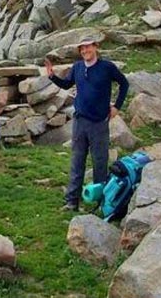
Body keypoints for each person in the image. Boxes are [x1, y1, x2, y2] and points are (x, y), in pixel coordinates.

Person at [46, 36, 129, 211]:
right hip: (79, 121)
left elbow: (124, 83)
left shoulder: (107, 67)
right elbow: (67, 84)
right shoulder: (77, 67)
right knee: (77, 161)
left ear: (95, 47)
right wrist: (52, 76)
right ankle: (72, 201)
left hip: (99, 122)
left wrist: (117, 107)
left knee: (100, 162)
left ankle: (101, 203)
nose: (85, 51)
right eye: (82, 49)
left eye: (88, 47)